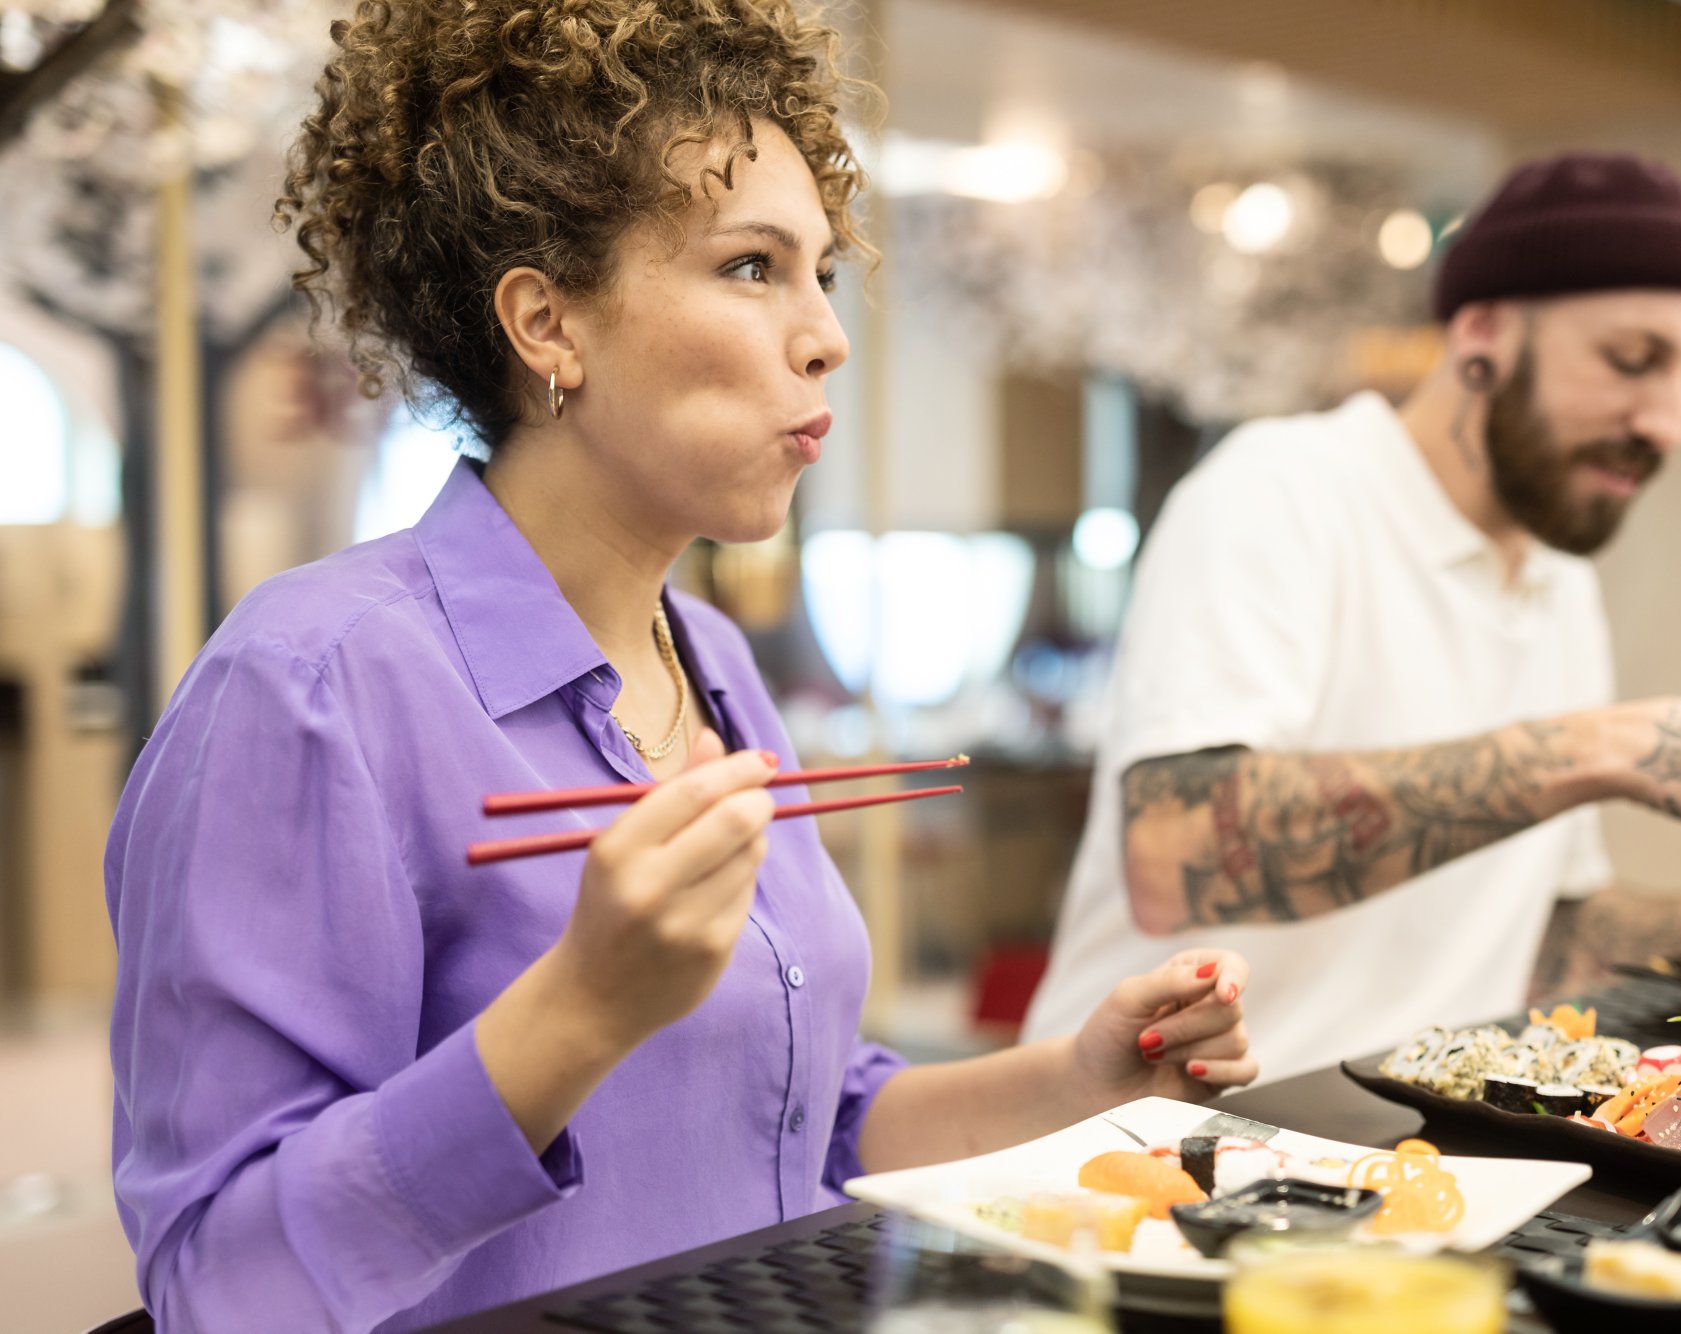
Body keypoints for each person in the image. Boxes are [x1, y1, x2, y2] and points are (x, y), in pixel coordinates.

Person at [104, 5, 1256, 1330]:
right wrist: (579, 1009)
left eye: (822, 273)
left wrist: (1079, 1075)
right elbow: (215, 1281)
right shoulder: (310, 682)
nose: (825, 335)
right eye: (753, 267)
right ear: (547, 324)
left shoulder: (706, 658)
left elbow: (809, 1118)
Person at [1021, 152, 1681, 1085]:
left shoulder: (1555, 583)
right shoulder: (1281, 490)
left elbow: (1544, 933)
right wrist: (1600, 748)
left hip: (1397, 1157)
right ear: (1483, 331)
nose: (1668, 422)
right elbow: (1178, 854)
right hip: (1142, 1149)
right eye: (1632, 360)